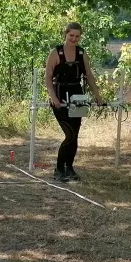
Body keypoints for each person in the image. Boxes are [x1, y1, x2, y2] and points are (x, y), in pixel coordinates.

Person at [45, 22, 103, 183]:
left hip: (77, 96)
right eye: (71, 35)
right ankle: (58, 169)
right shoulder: (55, 53)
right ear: (65, 35)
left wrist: (97, 95)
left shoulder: (82, 53)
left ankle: (69, 168)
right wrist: (53, 97)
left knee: (75, 135)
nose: (74, 39)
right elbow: (48, 78)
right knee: (69, 134)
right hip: (60, 95)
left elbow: (89, 77)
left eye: (77, 36)